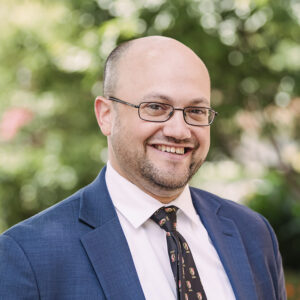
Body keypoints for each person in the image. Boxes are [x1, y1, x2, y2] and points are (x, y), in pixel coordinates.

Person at [0, 36, 286, 300]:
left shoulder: (252, 233)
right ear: (106, 116)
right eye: (155, 107)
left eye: (196, 111)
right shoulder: (27, 255)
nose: (179, 130)